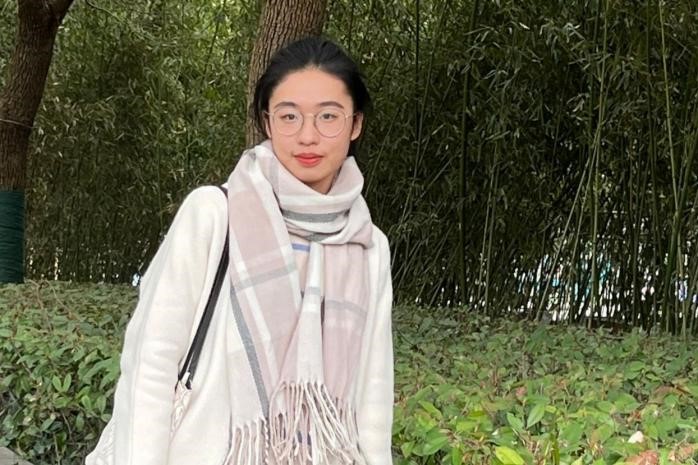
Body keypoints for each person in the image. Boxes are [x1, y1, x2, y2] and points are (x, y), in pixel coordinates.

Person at [85, 37, 394, 465]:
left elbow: (373, 397)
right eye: (289, 116)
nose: (307, 136)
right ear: (267, 122)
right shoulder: (215, 214)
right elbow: (150, 365)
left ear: (355, 123)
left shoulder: (369, 245)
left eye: (328, 116)